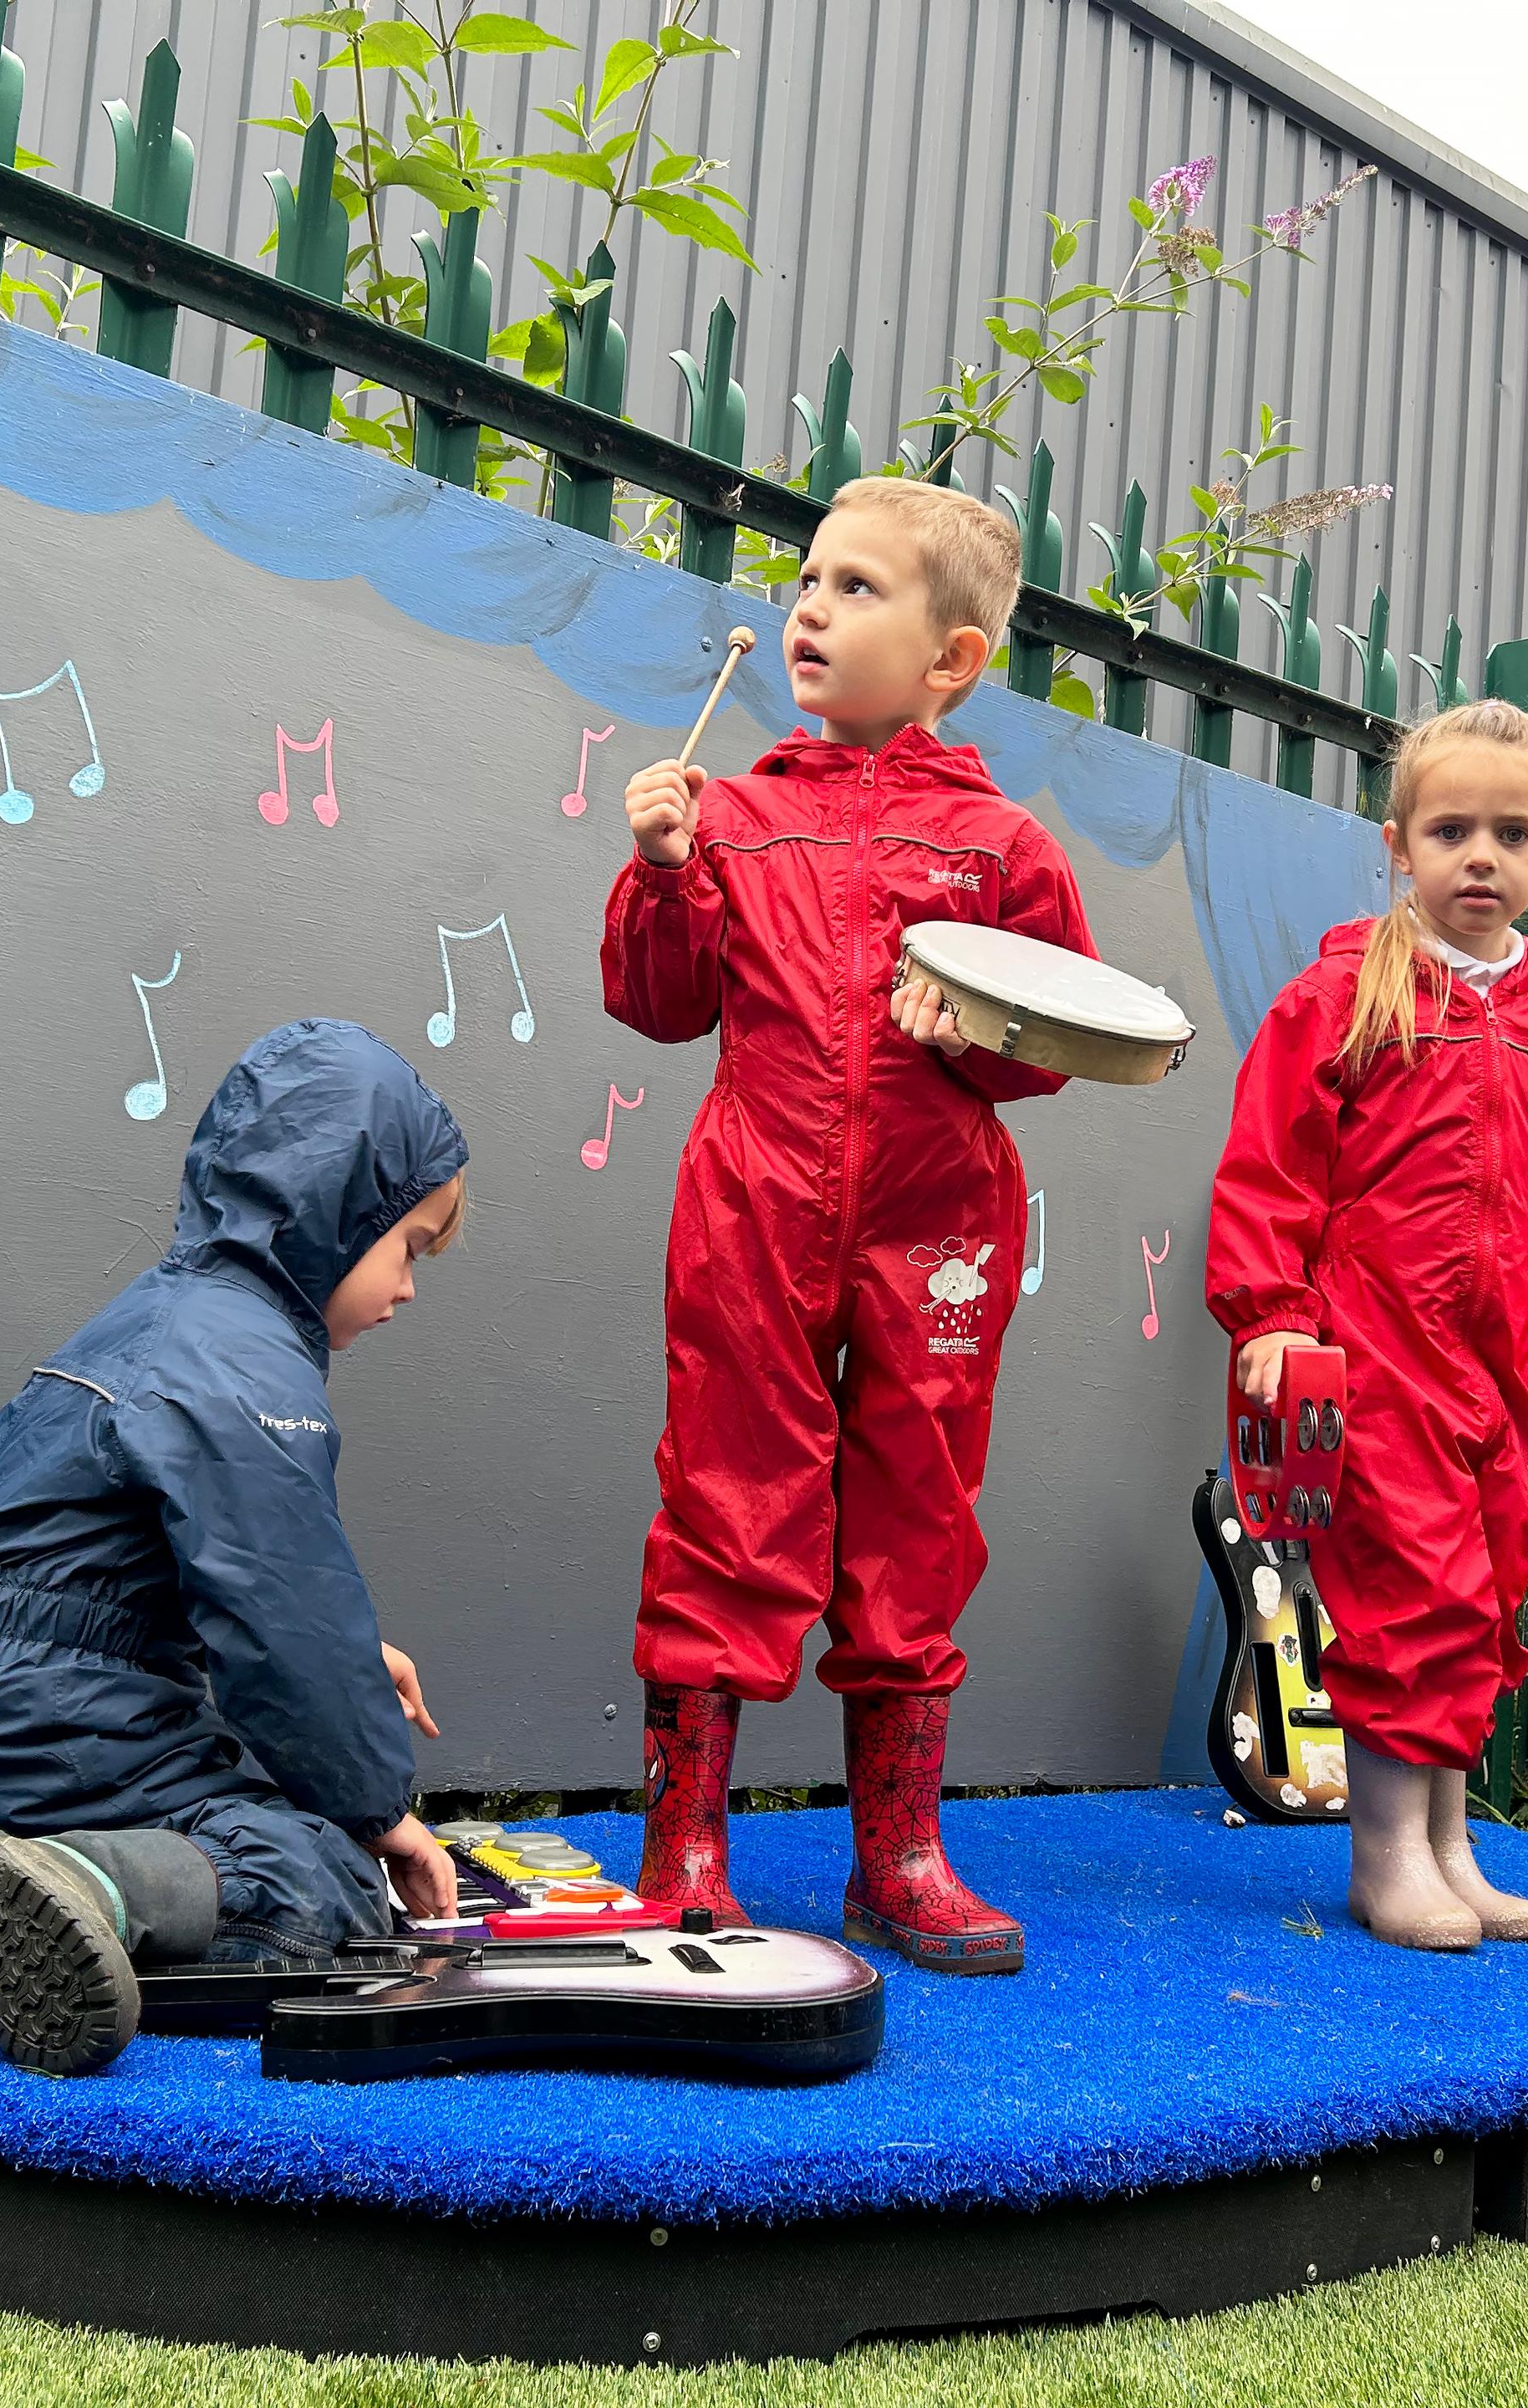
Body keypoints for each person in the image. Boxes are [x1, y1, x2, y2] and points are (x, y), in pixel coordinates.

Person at [602, 477, 1097, 1974]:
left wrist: (974, 1033)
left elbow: (1059, 1042)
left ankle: (899, 1853)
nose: (809, 608)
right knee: (726, 1494)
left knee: (919, 1511)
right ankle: (684, 1848)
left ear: (953, 658)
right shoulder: (734, 810)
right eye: (808, 580)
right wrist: (665, 874)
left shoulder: (1005, 846)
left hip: (938, 1223)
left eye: (857, 588)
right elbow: (660, 1003)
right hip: (754, 1199)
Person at [0, 1019, 468, 2072]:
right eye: (408, 1248)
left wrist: (345, 1670)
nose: (405, 1289)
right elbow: (280, 1613)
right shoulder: (247, 1371)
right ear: (334, 1211)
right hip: (52, 1729)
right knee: (324, 1878)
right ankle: (79, 1885)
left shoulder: (157, 1324)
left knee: (250, 1784)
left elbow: (160, 1588)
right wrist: (383, 1812)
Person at [1203, 701, 1528, 1951]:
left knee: (1484, 1597)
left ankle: (1450, 1844)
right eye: (1450, 830)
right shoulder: (1342, 998)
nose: (1479, 856)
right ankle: (1387, 1856)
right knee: (1411, 1597)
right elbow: (1268, 1170)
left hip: (1504, 1374)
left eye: (1512, 831)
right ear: (1400, 846)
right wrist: (1272, 1314)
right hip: (1372, 1353)